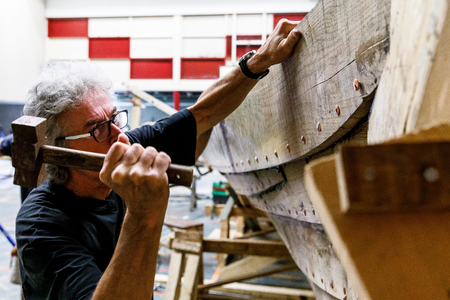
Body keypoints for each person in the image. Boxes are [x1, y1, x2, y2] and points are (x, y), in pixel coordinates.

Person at [15, 19, 301, 299]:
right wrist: (143, 216)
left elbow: (201, 114)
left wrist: (256, 63)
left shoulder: (122, 148)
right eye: (97, 128)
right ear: (62, 150)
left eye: (115, 118)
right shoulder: (41, 226)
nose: (121, 135)